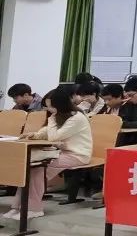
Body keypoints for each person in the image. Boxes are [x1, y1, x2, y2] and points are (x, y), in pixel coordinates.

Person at [5, 88, 91, 221]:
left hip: (77, 155)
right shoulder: (61, 115)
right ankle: (17, 207)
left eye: (51, 106)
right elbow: (47, 131)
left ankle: (33, 209)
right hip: (60, 152)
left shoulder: (77, 117)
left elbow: (54, 136)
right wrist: (35, 134)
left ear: (61, 104)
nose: (49, 109)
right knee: (29, 167)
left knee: (38, 168)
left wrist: (51, 119)